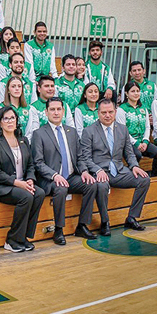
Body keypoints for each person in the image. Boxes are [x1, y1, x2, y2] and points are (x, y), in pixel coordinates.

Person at [31, 97, 102, 244]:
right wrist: (54, 175)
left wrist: (84, 171)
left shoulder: (72, 132)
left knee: (91, 184)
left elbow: (80, 156)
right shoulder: (39, 133)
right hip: (50, 179)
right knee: (61, 189)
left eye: (59, 109)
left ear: (63, 111)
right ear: (46, 112)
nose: (56, 113)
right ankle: (58, 229)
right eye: (52, 109)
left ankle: (82, 225)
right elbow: (38, 162)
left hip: (70, 176)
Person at [81, 99, 152, 232]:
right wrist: (97, 170)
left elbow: (129, 154)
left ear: (115, 112)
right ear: (98, 113)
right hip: (101, 172)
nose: (107, 115)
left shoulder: (123, 129)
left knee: (144, 179)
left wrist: (134, 166)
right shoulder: (88, 131)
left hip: (120, 171)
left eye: (110, 112)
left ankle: (131, 218)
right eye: (104, 112)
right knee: (101, 185)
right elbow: (86, 158)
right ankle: (105, 221)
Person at [0, 106, 46, 253]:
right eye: (6, 118)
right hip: (2, 186)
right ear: (0, 122)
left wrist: (30, 179)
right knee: (26, 197)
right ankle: (12, 240)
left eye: (12, 118)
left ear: (17, 120)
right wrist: (17, 183)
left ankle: (24, 236)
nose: (10, 121)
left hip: (22, 183)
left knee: (39, 193)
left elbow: (30, 165)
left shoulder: (23, 140)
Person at [117, 81, 157, 176]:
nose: (136, 93)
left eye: (137, 91)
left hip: (143, 142)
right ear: (126, 93)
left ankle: (154, 178)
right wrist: (136, 143)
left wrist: (146, 141)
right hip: (128, 143)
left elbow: (147, 127)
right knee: (137, 155)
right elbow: (123, 131)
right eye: (132, 91)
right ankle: (132, 177)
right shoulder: (121, 109)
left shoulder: (143, 108)